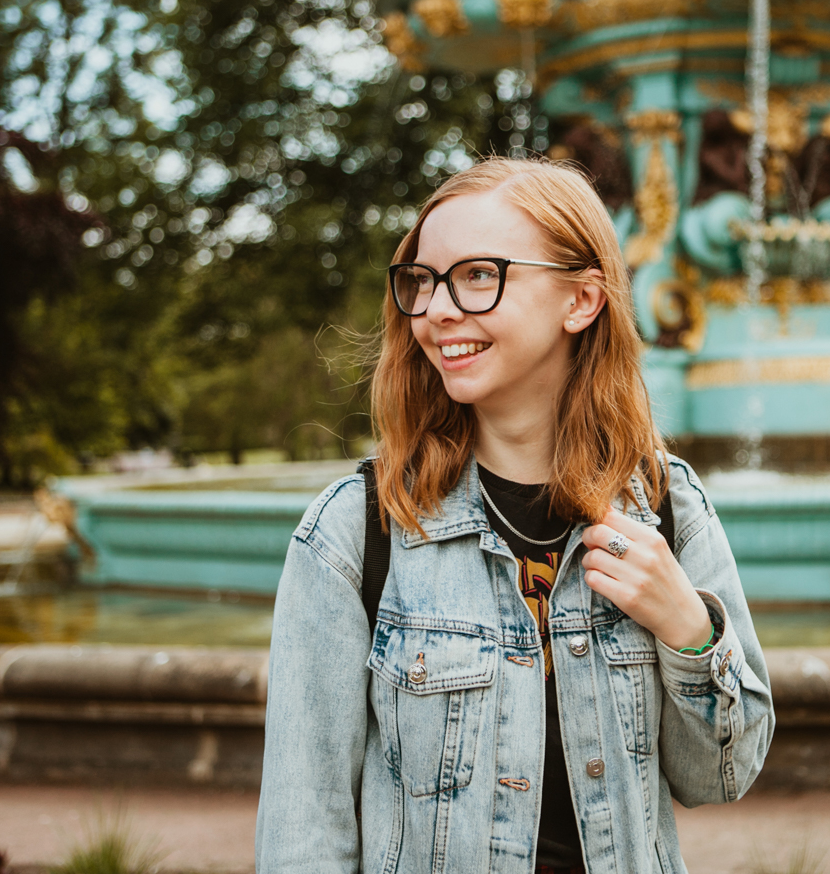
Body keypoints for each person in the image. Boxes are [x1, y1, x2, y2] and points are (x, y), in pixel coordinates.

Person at [256, 157, 774, 874]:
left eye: (477, 275)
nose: (437, 309)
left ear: (582, 300)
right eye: (423, 280)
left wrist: (690, 630)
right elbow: (303, 831)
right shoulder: (356, 530)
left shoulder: (666, 506)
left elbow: (720, 777)